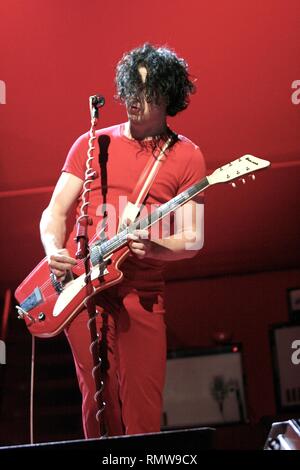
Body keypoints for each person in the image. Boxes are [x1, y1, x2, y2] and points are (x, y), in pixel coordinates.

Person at [40, 43, 206, 438]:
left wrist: (155, 248)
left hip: (141, 293)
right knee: (96, 403)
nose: (134, 99)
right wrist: (52, 248)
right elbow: (54, 212)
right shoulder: (91, 142)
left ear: (167, 96)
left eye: (146, 91)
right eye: (130, 88)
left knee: (142, 408)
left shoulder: (188, 157)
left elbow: (194, 238)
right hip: (84, 290)